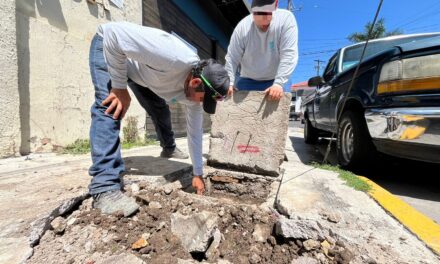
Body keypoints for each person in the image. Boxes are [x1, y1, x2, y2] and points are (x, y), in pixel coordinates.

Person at [88, 22, 229, 216]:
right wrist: (119, 87)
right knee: (111, 107)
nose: (199, 105)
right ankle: (104, 187)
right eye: (202, 100)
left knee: (160, 109)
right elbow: (113, 34)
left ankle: (169, 148)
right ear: (196, 82)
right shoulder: (172, 56)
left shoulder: (195, 96)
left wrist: (197, 173)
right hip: (109, 50)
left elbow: (195, 134)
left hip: (142, 75)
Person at [225, 0, 298, 100]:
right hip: (248, 79)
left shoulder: (286, 19)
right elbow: (232, 57)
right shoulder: (242, 28)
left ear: (276, 5)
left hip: (276, 78)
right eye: (259, 15)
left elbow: (289, 54)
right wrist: (229, 82)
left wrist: (278, 84)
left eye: (267, 21)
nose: (264, 24)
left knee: (278, 112)